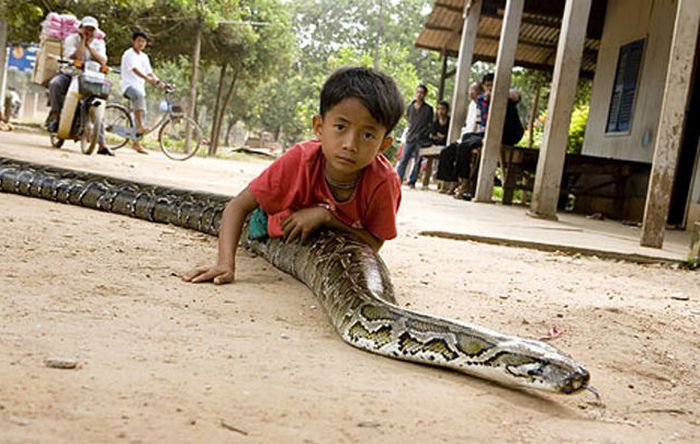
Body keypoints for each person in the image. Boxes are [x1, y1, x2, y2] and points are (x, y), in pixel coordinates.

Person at [182, 66, 404, 285]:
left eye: (367, 134)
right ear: (319, 127)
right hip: (277, 220)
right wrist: (224, 264)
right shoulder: (301, 159)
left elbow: (373, 245)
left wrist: (326, 216)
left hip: (323, 232)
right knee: (259, 221)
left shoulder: (384, 182)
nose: (350, 144)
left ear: (383, 145)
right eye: (340, 127)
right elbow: (236, 206)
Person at [436, 73, 524, 199]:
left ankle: (465, 184)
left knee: (466, 144)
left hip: (508, 133)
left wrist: (498, 93)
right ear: (484, 87)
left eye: (493, 85)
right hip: (489, 131)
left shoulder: (507, 96)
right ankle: (463, 181)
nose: (490, 88)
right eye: (488, 86)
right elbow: (484, 123)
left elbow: (516, 95)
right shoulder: (483, 100)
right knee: (465, 141)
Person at [45, 16, 112, 155]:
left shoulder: (99, 44)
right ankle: (56, 117)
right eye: (86, 28)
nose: (88, 32)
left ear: (95, 31)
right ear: (81, 28)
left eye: (91, 29)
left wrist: (88, 45)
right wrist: (82, 41)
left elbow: (102, 60)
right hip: (70, 75)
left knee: (99, 105)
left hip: (90, 77)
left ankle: (101, 144)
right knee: (55, 84)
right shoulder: (72, 39)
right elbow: (78, 58)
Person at [120, 30, 167, 154]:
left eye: (143, 41)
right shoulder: (129, 54)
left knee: (142, 112)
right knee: (139, 97)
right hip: (128, 86)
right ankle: (140, 127)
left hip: (140, 88)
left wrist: (160, 83)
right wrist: (147, 79)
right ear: (133, 41)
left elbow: (150, 72)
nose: (141, 43)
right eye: (139, 41)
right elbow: (135, 70)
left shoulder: (144, 57)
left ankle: (136, 143)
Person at [395, 84, 433, 189]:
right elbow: (409, 121)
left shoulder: (428, 109)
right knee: (404, 160)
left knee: (418, 161)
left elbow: (430, 124)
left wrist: (424, 133)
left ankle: (412, 181)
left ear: (425, 94)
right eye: (418, 92)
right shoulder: (410, 107)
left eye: (422, 92)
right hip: (410, 137)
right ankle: (398, 180)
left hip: (421, 139)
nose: (419, 94)